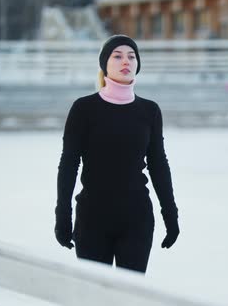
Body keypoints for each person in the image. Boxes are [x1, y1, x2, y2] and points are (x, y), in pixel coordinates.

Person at [54, 34, 180, 274]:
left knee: (128, 298)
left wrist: (170, 214)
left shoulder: (149, 111)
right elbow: (68, 164)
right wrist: (63, 214)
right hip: (92, 219)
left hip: (137, 220)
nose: (126, 61)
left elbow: (158, 165)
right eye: (118, 56)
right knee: (95, 298)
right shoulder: (84, 108)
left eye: (132, 57)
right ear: (105, 65)